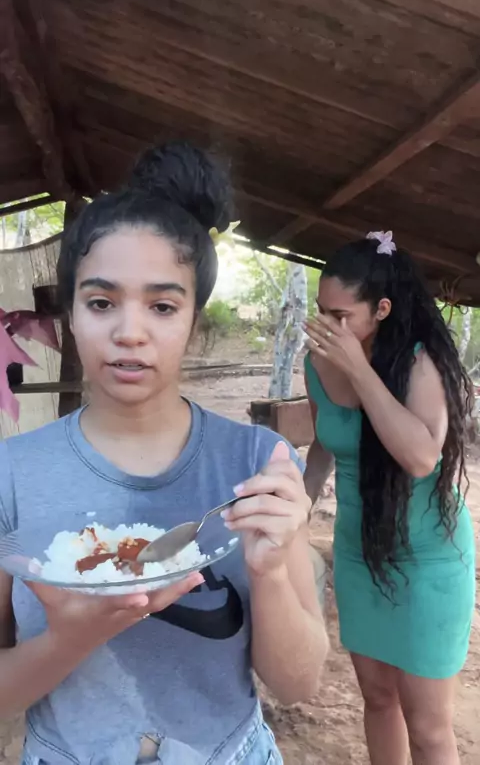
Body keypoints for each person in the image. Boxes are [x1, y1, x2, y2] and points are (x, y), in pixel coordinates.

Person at [0, 142, 328, 765]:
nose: (130, 332)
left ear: (194, 322)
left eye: (162, 306)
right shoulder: (12, 474)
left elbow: (298, 684)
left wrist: (269, 572)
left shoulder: (259, 464)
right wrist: (71, 639)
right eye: (101, 302)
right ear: (70, 315)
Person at [303, 231, 475, 765]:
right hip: (359, 554)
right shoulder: (316, 364)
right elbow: (324, 445)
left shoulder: (419, 362)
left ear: (381, 310)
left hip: (428, 560)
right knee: (377, 700)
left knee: (427, 727)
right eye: (321, 312)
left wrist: (358, 369)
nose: (327, 327)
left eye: (341, 316)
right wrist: (298, 505)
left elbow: (420, 456)